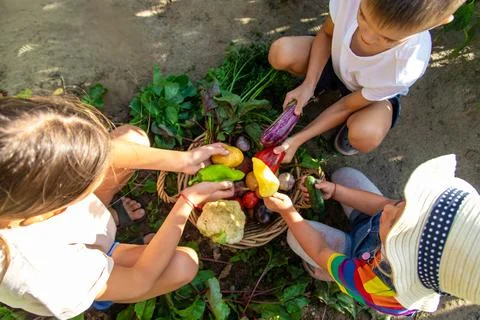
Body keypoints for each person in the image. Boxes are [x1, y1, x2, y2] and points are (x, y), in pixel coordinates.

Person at [0, 96, 235, 319]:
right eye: (86, 180)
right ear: (53, 208)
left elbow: (106, 154)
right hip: (76, 268)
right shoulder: (42, 273)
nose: (100, 171)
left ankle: (108, 220)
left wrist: (183, 161)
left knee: (132, 139)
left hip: (64, 232)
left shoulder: (13, 171)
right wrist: (187, 202)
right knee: (182, 265)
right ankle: (103, 291)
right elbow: (138, 280)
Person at [264, 155, 480, 315]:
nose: (389, 210)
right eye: (403, 205)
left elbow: (320, 250)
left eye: (396, 221)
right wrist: (337, 190)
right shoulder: (415, 229)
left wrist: (288, 212)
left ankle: (333, 275)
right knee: (345, 176)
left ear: (403, 256)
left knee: (295, 237)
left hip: (356, 259)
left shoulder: (374, 285)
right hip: (368, 228)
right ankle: (346, 245)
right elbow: (383, 205)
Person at [268, 0, 466, 160]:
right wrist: (308, 84)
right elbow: (327, 34)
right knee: (281, 52)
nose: (367, 37)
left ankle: (351, 125)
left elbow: (346, 105)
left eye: (388, 39)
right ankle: (316, 87)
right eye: (362, 15)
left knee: (366, 135)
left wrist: (298, 139)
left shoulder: (404, 67)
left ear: (438, 22)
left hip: (367, 93)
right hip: (334, 59)